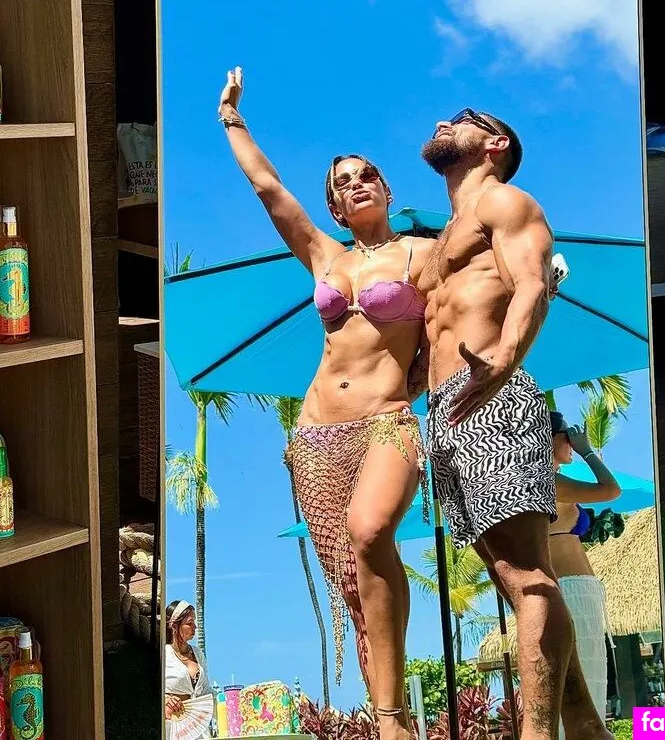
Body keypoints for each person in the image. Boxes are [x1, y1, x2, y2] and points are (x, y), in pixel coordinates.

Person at [217, 67, 435, 740]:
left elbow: (464, 314)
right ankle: (389, 719)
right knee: (349, 586)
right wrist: (232, 118)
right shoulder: (325, 257)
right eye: (343, 182)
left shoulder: (424, 255)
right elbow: (268, 188)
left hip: (388, 424)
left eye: (366, 174)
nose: (356, 183)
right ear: (336, 207)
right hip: (316, 436)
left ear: (387, 189)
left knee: (369, 534)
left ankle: (391, 719)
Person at [418, 107, 611, 740]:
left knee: (527, 579)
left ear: (494, 143)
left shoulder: (503, 201)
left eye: (462, 119)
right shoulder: (444, 237)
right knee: (512, 578)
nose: (444, 123)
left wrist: (502, 362)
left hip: (492, 394)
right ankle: (586, 726)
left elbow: (531, 283)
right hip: (445, 409)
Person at [550, 412, 621, 736]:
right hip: (571, 590)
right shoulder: (549, 481)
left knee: (591, 680)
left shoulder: (553, 481)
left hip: (578, 590)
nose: (573, 441)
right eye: (569, 435)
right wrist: (587, 450)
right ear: (551, 439)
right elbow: (611, 490)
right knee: (584, 680)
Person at [164, 600, 213, 735]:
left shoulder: (197, 653)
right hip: (172, 727)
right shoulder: (163, 654)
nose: (195, 627)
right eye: (190, 623)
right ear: (174, 625)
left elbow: (207, 691)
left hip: (199, 727)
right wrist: (165, 700)